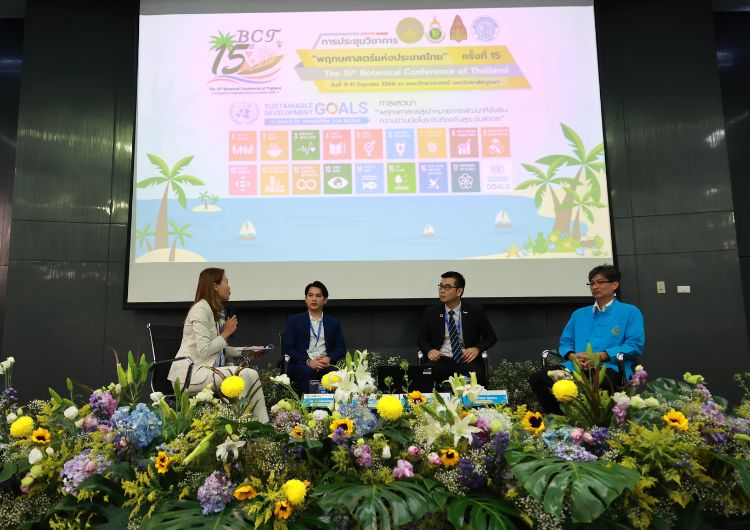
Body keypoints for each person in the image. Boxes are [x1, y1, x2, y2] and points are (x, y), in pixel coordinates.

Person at [528, 264, 645, 414]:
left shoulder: (630, 312)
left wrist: (600, 356)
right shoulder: (579, 314)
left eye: (600, 282)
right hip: (574, 367)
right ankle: (560, 419)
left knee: (598, 383)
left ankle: (597, 424)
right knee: (537, 379)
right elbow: (566, 342)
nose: (595, 286)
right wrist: (572, 356)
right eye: (592, 283)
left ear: (615, 284)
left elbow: (634, 345)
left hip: (610, 367)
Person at [167, 267, 269, 422]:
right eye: (226, 282)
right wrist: (225, 333)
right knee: (243, 374)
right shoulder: (200, 309)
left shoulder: (215, 311)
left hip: (207, 370)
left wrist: (247, 351)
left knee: (251, 373)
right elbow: (204, 350)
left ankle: (262, 425)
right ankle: (241, 424)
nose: (229, 286)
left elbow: (221, 349)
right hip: (191, 374)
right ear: (215, 286)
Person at [417, 271, 497, 386]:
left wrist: (477, 349)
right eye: (441, 286)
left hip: (465, 359)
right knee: (424, 376)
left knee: (475, 377)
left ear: (459, 291)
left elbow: (491, 337)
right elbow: (421, 338)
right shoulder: (431, 312)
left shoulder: (475, 311)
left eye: (447, 287)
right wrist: (429, 350)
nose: (442, 290)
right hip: (440, 359)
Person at [283, 281, 346, 393]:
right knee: (308, 372)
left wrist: (329, 358)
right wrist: (308, 361)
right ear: (305, 299)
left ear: (325, 300)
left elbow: (341, 348)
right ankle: (308, 405)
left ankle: (333, 405)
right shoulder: (294, 321)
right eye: (310, 295)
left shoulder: (333, 322)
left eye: (318, 296)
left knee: (335, 374)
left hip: (325, 364)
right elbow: (288, 349)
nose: (314, 299)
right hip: (301, 364)